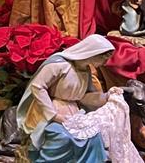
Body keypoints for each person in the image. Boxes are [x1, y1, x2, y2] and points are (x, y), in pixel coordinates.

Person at [15, 35, 119, 163]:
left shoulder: (85, 71)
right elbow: (38, 86)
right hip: (48, 110)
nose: (105, 63)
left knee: (94, 136)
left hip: (73, 112)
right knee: (63, 137)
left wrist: (107, 96)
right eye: (103, 58)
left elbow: (83, 97)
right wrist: (53, 115)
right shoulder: (59, 65)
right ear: (93, 53)